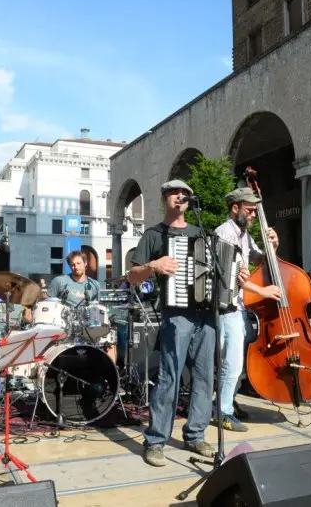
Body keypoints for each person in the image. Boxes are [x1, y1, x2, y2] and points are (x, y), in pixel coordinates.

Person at [128, 179, 216, 467]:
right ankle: (155, 440)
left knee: (204, 377)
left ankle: (196, 434)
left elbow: (218, 271)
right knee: (169, 377)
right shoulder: (154, 235)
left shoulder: (202, 232)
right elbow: (132, 276)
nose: (181, 197)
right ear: (165, 198)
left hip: (206, 316)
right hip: (176, 315)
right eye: (175, 193)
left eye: (186, 194)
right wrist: (153, 266)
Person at [212, 187, 281, 432]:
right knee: (231, 364)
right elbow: (230, 277)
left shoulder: (243, 234)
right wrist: (263, 292)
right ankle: (223, 412)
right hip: (227, 307)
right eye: (250, 210)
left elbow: (260, 260)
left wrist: (272, 245)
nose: (253, 215)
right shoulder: (224, 233)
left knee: (234, 364)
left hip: (237, 306)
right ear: (235, 208)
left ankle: (226, 403)